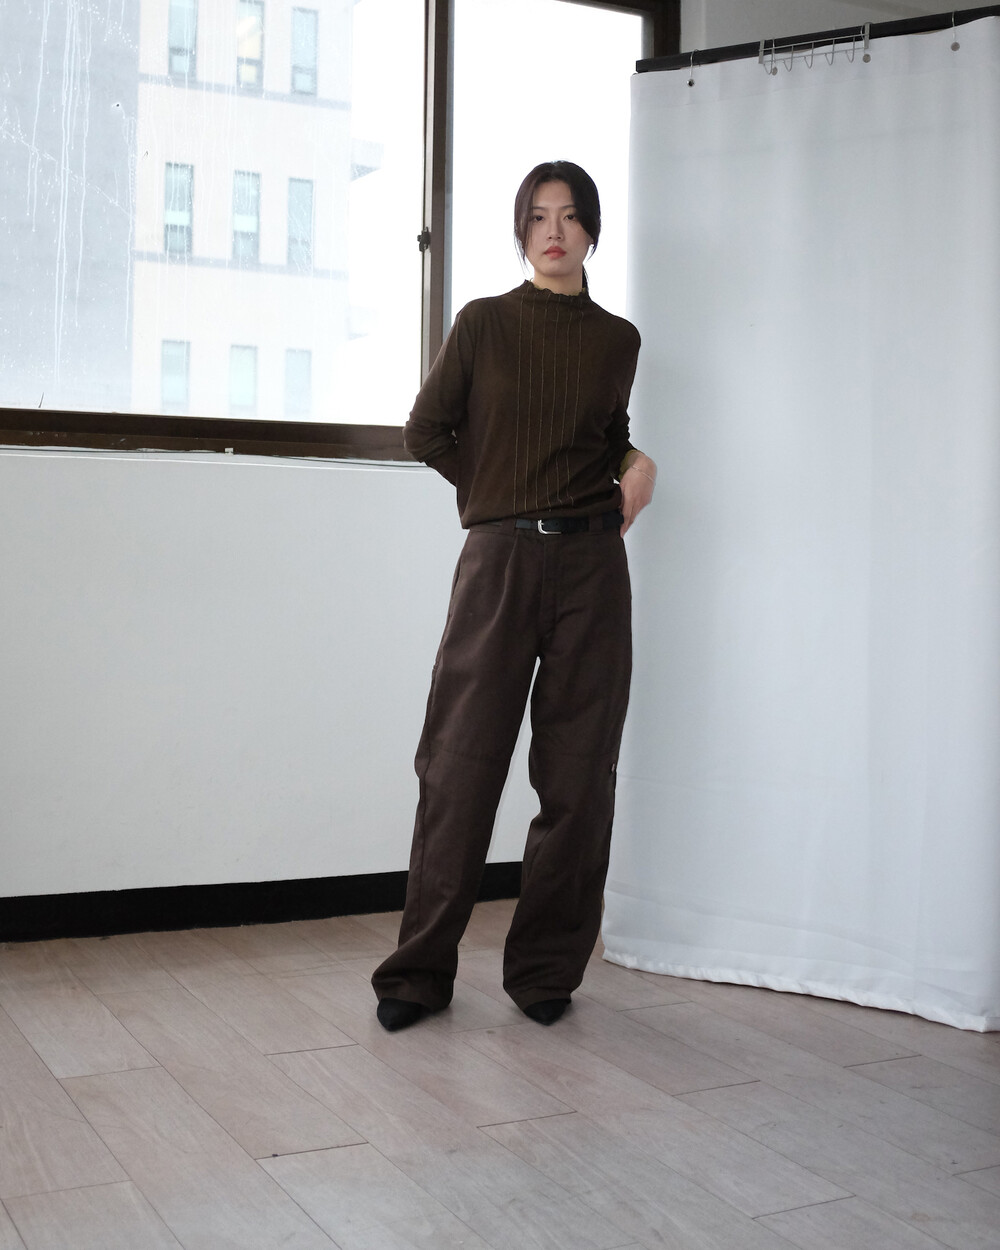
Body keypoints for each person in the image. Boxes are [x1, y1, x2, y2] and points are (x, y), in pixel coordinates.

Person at [371, 160, 656, 1031]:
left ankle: (543, 973)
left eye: (569, 216)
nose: (553, 231)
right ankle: (418, 974)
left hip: (592, 569)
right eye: (537, 216)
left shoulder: (618, 340)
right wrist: (495, 494)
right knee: (458, 766)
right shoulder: (484, 323)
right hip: (498, 564)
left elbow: (603, 436)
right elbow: (426, 430)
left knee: (579, 778)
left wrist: (634, 462)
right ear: (521, 231)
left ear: (592, 230)